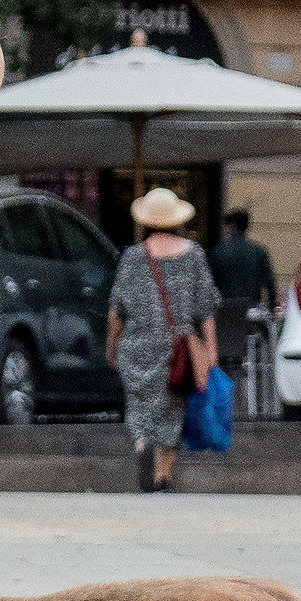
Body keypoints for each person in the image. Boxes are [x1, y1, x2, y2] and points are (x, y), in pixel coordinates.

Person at [110, 188, 218, 493]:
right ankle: (162, 475)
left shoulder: (132, 257)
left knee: (140, 405)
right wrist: (210, 349)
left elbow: (117, 310)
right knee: (173, 409)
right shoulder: (195, 255)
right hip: (178, 347)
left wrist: (112, 343)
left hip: (136, 344)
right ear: (177, 220)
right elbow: (206, 308)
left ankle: (142, 441)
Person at [208, 208, 278, 310]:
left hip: (224, 310)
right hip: (252, 309)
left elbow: (208, 284)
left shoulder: (217, 252)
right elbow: (270, 284)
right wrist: (271, 306)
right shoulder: (259, 251)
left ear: (231, 226)